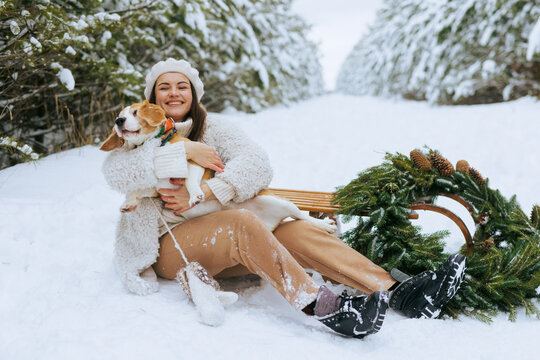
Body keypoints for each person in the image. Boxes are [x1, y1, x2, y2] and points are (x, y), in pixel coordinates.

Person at [102, 58, 467, 338]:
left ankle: (399, 291)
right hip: (171, 250)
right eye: (164, 87)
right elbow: (116, 172)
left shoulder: (214, 129)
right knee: (242, 222)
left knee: (291, 229)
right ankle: (324, 307)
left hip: (229, 242)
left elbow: (257, 164)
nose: (173, 93)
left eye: (182, 86)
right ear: (151, 99)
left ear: (194, 94)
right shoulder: (133, 132)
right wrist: (187, 154)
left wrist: (211, 189)